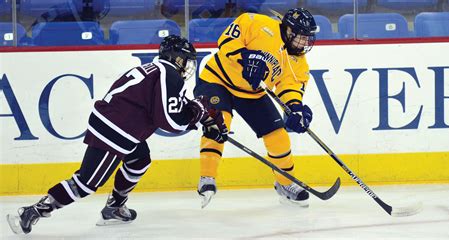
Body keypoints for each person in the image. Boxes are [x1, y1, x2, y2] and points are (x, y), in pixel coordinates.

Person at [6, 35, 228, 234]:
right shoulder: (168, 74)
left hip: (119, 128)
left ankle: (114, 207)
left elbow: (176, 106)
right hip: (117, 132)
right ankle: (32, 211)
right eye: (186, 59)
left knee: (140, 160)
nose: (187, 66)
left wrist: (207, 118)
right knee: (86, 183)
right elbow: (169, 121)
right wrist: (197, 114)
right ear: (176, 57)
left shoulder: (155, 70)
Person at [195, 8, 317, 208]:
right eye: (302, 37)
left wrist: (295, 108)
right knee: (219, 122)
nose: (305, 43)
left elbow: (290, 86)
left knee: (278, 136)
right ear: (289, 30)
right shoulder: (256, 23)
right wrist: (246, 57)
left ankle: (285, 184)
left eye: (308, 38)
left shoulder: (298, 61)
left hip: (253, 92)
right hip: (217, 80)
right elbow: (225, 41)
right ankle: (207, 178)